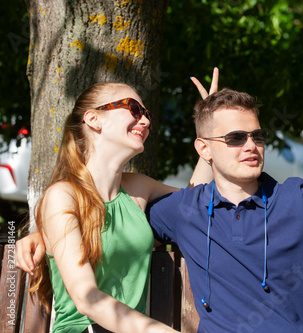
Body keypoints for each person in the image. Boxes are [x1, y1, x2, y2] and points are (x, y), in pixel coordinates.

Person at [19, 86, 303, 332]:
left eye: (257, 136)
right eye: (235, 138)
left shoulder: (298, 200)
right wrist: (45, 232)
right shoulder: (182, 210)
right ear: (204, 148)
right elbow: (86, 220)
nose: (252, 146)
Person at [15, 71, 218, 333]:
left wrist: (210, 128)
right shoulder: (63, 196)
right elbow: (87, 298)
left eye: (148, 115)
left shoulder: (138, 188)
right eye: (134, 109)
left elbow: (194, 204)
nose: (144, 120)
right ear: (94, 119)